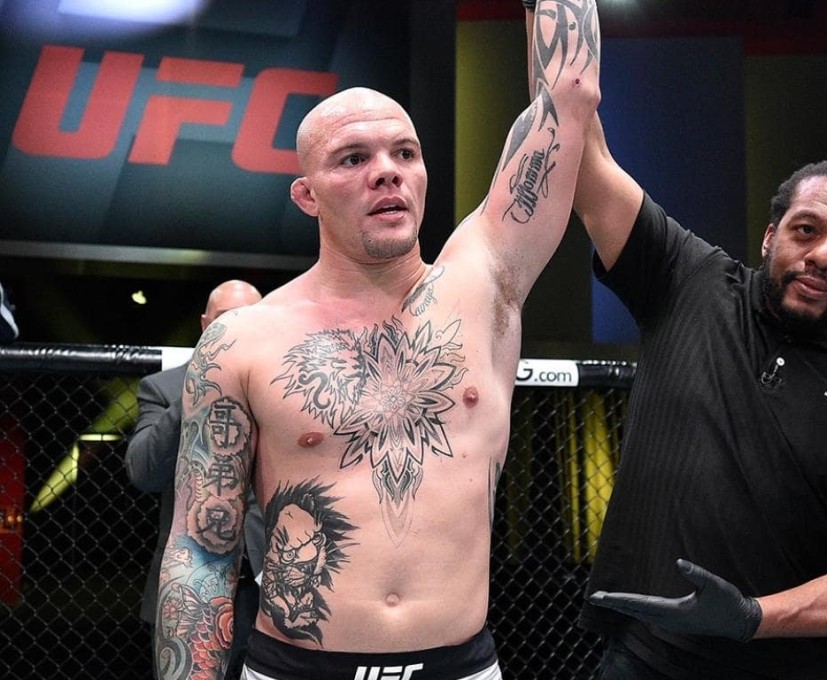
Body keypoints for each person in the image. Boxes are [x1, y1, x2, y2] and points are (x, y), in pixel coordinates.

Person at [154, 2, 601, 678]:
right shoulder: (243, 342)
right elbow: (202, 548)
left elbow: (568, 96)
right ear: (306, 195)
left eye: (405, 153)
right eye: (353, 159)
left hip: (461, 664)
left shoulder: (485, 286)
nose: (386, 171)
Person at [522, 7, 827, 674]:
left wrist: (756, 618)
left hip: (797, 665)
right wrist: (546, 5)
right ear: (770, 235)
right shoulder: (689, 280)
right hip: (645, 658)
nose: (824, 255)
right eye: (806, 230)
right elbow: (580, 150)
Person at [126, 279, 265, 680]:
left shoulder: (279, 389)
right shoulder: (164, 387)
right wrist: (197, 387)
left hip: (266, 592)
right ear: (206, 325)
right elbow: (143, 471)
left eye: (249, 319)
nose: (238, 328)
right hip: (190, 592)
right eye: (227, 319)